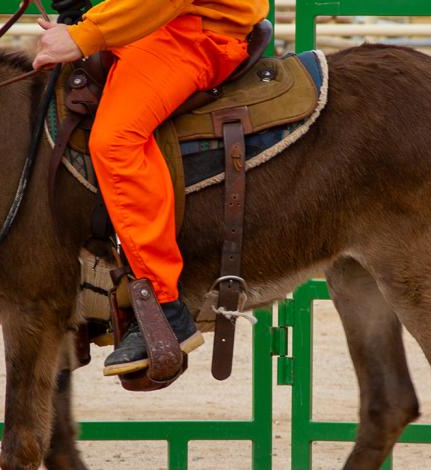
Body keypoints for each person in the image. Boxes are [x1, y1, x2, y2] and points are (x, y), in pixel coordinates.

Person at [33, 0, 268, 377]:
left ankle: (164, 307)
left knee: (115, 142)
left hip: (191, 34)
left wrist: (84, 35)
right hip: (158, 25)